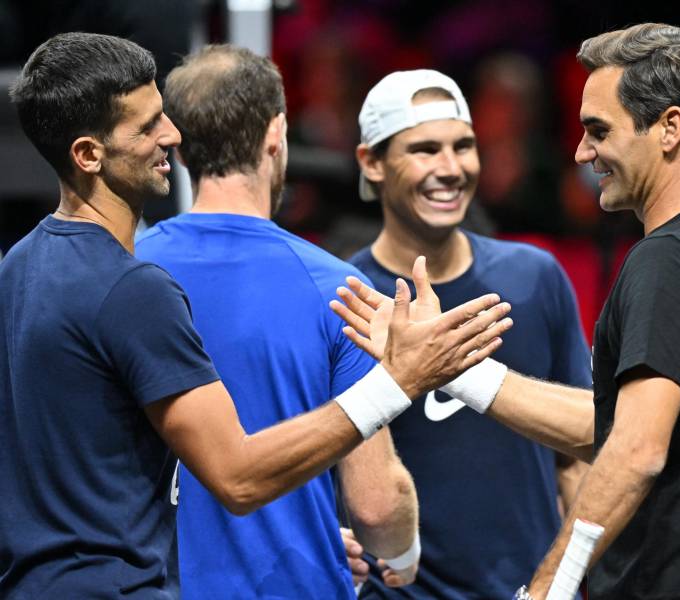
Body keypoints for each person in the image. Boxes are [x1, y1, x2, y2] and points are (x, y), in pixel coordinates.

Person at [0, 32, 512, 598]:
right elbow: (241, 479)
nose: (170, 134)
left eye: (165, 117)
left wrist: (310, 534)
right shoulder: (135, 289)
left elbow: (88, 462)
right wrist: (399, 381)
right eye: (147, 127)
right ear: (88, 155)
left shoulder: (18, 266)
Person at [333, 23, 680, 599]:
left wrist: (546, 589)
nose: (582, 152)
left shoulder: (668, 260)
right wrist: (459, 370)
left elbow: (636, 450)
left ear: (670, 128)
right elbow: (620, 424)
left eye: (598, 130)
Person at [136, 44, 420, 599]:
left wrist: (310, 530)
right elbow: (376, 504)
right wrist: (402, 553)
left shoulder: (126, 273)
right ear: (276, 133)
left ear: (181, 146)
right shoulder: (341, 293)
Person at [345, 69, 592, 599]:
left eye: (464, 146)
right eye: (426, 149)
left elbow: (577, 457)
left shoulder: (534, 278)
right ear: (371, 162)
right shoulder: (345, 296)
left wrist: (571, 581)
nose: (451, 169)